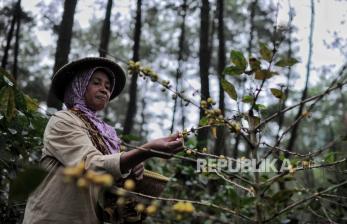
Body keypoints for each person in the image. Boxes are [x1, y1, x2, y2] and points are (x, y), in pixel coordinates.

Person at [22, 57, 184, 224]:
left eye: (108, 86)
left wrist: (133, 167)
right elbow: (92, 164)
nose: (104, 89)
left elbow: (108, 176)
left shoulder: (107, 135)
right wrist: (145, 151)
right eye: (96, 83)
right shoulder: (63, 120)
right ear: (79, 85)